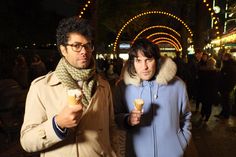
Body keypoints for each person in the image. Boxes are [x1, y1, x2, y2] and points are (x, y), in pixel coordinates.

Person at [20, 16, 117, 157]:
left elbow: (111, 128)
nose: (84, 51)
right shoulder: (41, 87)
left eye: (88, 45)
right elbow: (27, 142)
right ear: (63, 49)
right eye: (77, 46)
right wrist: (58, 124)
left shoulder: (103, 85)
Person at [113, 38, 192, 157]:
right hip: (137, 154)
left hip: (172, 153)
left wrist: (182, 143)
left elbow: (186, 116)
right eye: (138, 60)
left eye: (148, 60)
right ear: (132, 62)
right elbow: (115, 116)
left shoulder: (177, 85)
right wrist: (127, 119)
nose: (144, 67)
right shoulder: (123, 86)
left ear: (157, 60)